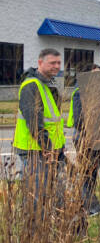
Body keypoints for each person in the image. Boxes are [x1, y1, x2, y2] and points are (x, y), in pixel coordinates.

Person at [13, 48, 67, 218]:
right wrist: (48, 147)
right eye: (52, 62)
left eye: (59, 63)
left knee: (53, 191)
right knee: (36, 194)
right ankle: (33, 231)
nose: (56, 66)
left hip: (51, 149)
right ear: (40, 63)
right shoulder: (32, 85)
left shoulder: (48, 84)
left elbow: (53, 121)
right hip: (35, 150)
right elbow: (34, 122)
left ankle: (49, 227)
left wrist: (59, 148)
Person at [68, 64, 100, 216]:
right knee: (87, 172)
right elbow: (79, 119)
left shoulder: (94, 91)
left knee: (93, 171)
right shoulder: (80, 90)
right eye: (95, 74)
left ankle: (89, 204)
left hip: (95, 136)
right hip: (85, 136)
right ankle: (87, 205)